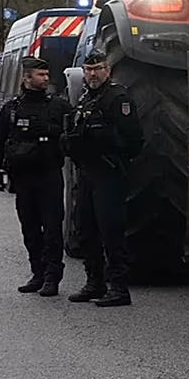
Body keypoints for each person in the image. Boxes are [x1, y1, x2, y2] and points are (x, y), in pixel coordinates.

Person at [60, 51, 144, 307]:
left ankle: (118, 287)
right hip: (87, 172)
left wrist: (107, 142)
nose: (92, 74)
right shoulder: (87, 98)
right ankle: (94, 282)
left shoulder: (117, 99)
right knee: (86, 230)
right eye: (88, 69)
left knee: (111, 231)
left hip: (109, 173)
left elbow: (134, 141)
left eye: (97, 69)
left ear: (108, 70)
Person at [0, 57, 72, 296]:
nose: (45, 79)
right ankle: (38, 272)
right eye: (40, 75)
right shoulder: (13, 108)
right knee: (30, 228)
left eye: (46, 75)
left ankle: (52, 277)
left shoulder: (58, 106)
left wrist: (50, 131)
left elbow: (73, 134)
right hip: (23, 178)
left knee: (52, 229)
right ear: (26, 78)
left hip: (49, 175)